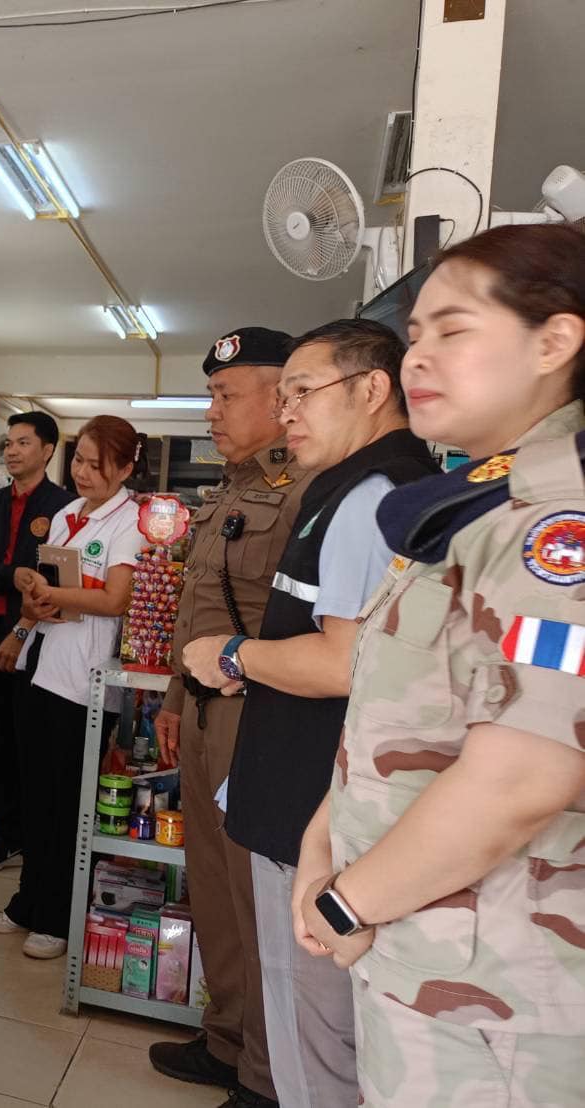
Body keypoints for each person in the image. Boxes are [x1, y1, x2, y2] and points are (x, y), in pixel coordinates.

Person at [294, 223, 585, 1107]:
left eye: (452, 330)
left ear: (553, 342)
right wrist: (322, 845)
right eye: (414, 332)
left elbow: (524, 776)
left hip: (501, 992)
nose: (417, 355)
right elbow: (405, 721)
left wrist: (345, 901)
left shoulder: (555, 527)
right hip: (421, 944)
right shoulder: (472, 507)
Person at [182, 319, 438, 1108]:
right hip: (304, 782)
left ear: (371, 389)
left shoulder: (367, 497)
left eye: (301, 391)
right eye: (283, 394)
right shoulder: (359, 487)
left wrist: (232, 656)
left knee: (313, 1040)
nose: (287, 410)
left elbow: (341, 662)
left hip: (313, 800)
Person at [148, 327, 315, 1108]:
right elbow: (201, 609)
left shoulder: (306, 491)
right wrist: (176, 699)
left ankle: (266, 1076)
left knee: (257, 902)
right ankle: (226, 1040)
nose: (210, 411)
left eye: (224, 395)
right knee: (213, 888)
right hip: (204, 712)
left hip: (258, 716)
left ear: (280, 399)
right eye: (209, 395)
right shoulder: (228, 490)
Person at [0, 416, 143, 958]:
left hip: (84, 682)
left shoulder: (131, 522)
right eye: (80, 461)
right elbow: (45, 588)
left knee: (66, 803)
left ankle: (58, 917)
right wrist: (30, 603)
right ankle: (28, 903)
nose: (84, 472)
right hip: (42, 666)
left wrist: (55, 595)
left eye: (98, 465)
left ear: (126, 468)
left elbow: (116, 599)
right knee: (34, 793)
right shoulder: (69, 514)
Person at [0, 410, 75, 873]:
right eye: (8, 443)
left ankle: (37, 838)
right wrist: (9, 575)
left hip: (40, 635)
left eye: (23, 442)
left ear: (48, 450)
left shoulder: (64, 507)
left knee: (30, 740)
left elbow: (58, 580)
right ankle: (8, 833)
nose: (12, 451)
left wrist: (22, 620)